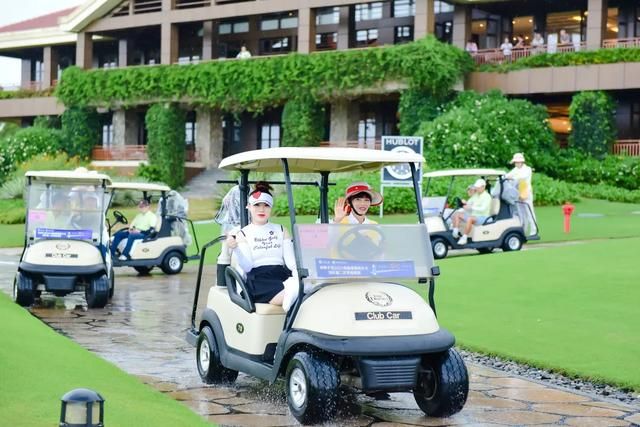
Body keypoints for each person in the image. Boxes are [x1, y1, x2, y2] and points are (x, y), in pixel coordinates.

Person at [226, 182, 296, 308]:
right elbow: (247, 266)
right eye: (257, 205)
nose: (262, 209)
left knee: (298, 286)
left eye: (266, 205)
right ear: (249, 206)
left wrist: (300, 275)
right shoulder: (243, 233)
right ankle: (293, 295)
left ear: (271, 208)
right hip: (259, 279)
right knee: (296, 293)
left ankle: (294, 291)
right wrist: (236, 248)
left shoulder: (281, 229)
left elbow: (291, 263)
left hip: (281, 275)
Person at [451, 179, 492, 245]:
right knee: (457, 214)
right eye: (476, 187)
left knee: (470, 218)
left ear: (483, 187)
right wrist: (465, 203)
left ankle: (464, 238)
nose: (477, 189)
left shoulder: (487, 197)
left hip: (483, 217)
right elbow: (470, 203)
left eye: (478, 187)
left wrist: (471, 207)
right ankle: (455, 233)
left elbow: (483, 209)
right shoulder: (476, 195)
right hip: (473, 216)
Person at [506, 152, 537, 235]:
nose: (516, 164)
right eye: (515, 162)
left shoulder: (527, 169)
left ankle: (534, 230)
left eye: (517, 162)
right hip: (518, 193)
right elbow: (508, 175)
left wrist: (511, 178)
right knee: (521, 212)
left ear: (521, 162)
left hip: (526, 193)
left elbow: (520, 177)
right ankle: (523, 230)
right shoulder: (515, 169)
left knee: (529, 211)